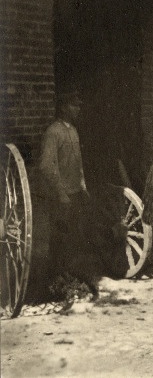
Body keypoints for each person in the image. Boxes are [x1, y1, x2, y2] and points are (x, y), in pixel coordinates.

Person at [39, 87, 90, 275]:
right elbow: (46, 165)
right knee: (60, 238)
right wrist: (61, 194)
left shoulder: (74, 131)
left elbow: (78, 161)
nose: (78, 109)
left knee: (74, 237)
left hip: (75, 193)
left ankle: (70, 278)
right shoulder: (53, 132)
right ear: (63, 108)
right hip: (61, 197)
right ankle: (56, 280)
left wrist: (83, 184)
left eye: (78, 106)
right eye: (74, 106)